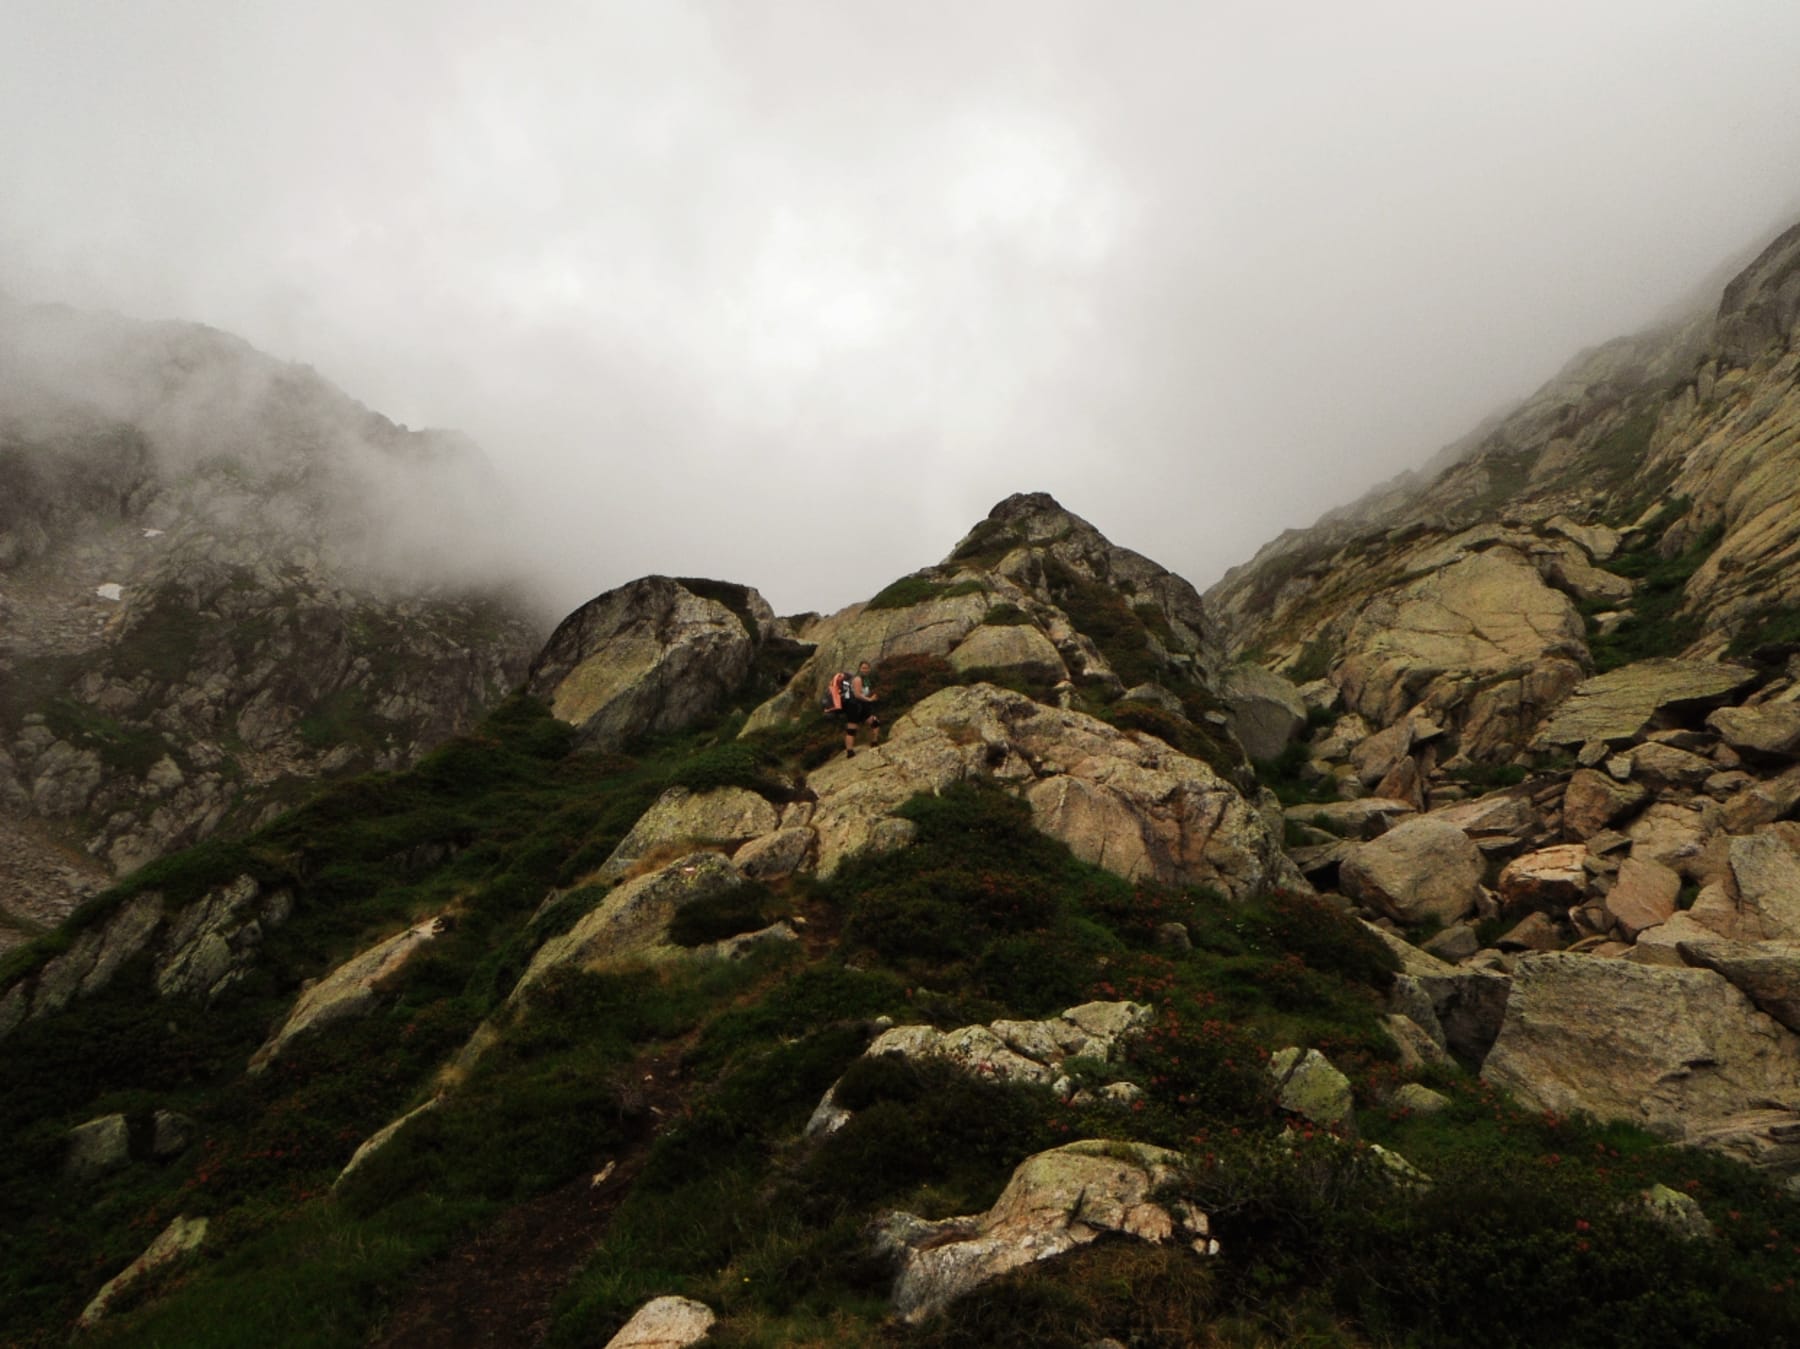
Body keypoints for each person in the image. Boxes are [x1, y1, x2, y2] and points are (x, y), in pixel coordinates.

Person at [842, 660, 880, 757]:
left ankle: (874, 742)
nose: (865, 670)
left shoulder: (866, 680)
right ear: (859, 669)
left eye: (867, 668)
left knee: (875, 722)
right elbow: (857, 695)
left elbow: (864, 693)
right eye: (863, 668)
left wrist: (871, 698)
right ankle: (849, 751)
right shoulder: (857, 679)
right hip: (853, 706)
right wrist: (870, 699)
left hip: (862, 705)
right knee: (852, 729)